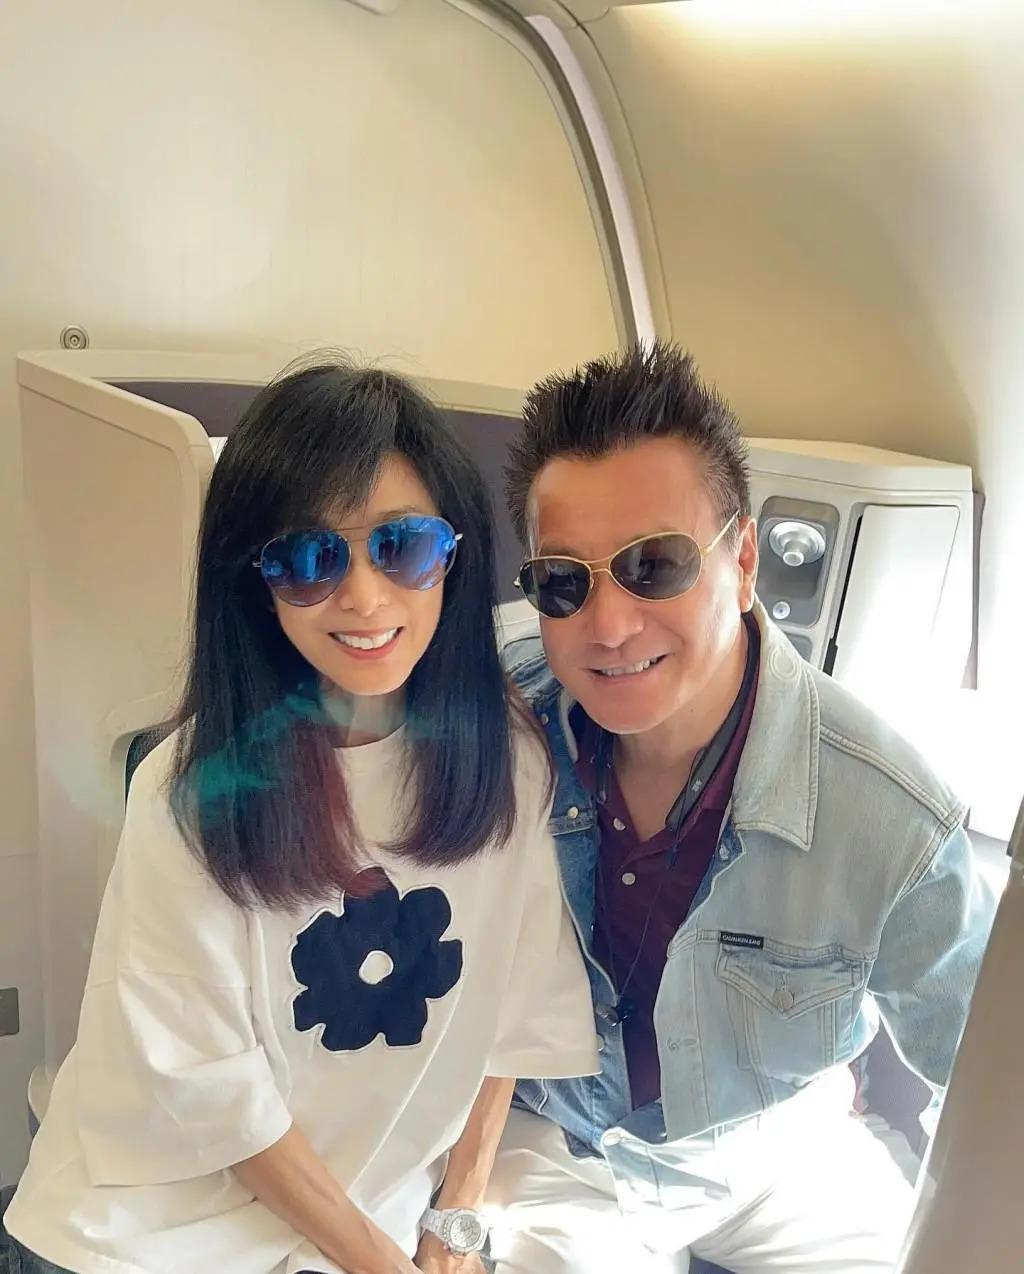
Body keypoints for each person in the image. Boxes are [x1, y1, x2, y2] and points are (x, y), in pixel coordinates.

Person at [5, 357, 597, 1274]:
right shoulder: (186, 793)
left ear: (454, 555)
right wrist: (382, 1264)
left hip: (364, 1213)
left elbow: (512, 1009)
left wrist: (456, 1219)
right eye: (310, 559)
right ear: (257, 580)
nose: (363, 597)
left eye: (403, 546)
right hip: (151, 1231)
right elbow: (213, 1095)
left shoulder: (509, 762)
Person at [485, 341, 994, 1273]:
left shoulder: (892, 820)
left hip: (771, 1158)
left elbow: (994, 1083)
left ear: (746, 559)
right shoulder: (494, 720)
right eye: (564, 581)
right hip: (558, 1147)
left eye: (655, 565)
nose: (610, 626)